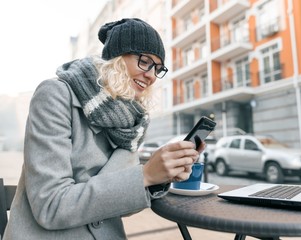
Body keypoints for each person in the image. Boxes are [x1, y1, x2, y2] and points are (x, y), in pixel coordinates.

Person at [3, 18, 204, 240]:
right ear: (117, 57)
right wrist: (144, 175)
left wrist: (158, 177)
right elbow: (51, 205)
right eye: (145, 61)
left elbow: (116, 205)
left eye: (158, 68)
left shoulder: (132, 120)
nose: (151, 75)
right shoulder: (55, 95)